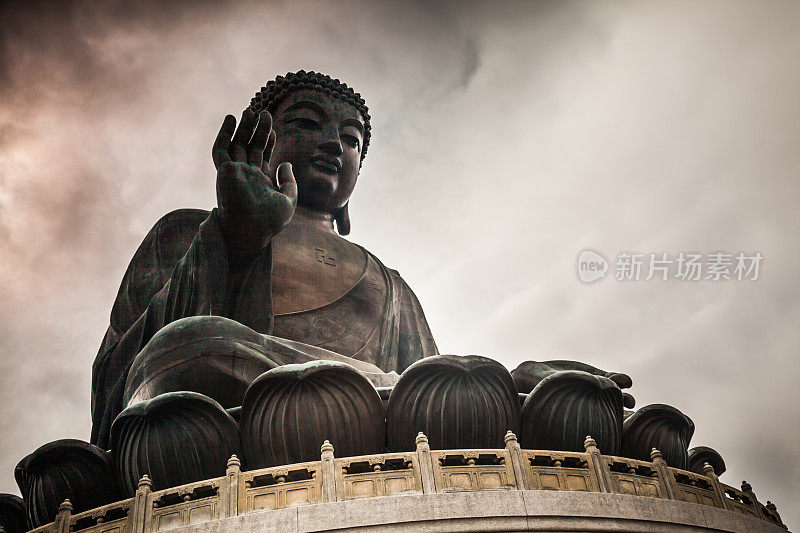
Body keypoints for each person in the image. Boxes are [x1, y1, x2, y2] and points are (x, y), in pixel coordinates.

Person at [90, 71, 438, 449]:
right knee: (185, 346)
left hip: (370, 421)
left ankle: (365, 392)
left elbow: (430, 388)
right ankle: (361, 392)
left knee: (456, 385)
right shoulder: (188, 230)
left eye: (351, 139)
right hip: (222, 429)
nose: (334, 144)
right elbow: (117, 380)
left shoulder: (389, 284)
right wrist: (236, 239)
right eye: (306, 123)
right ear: (257, 145)